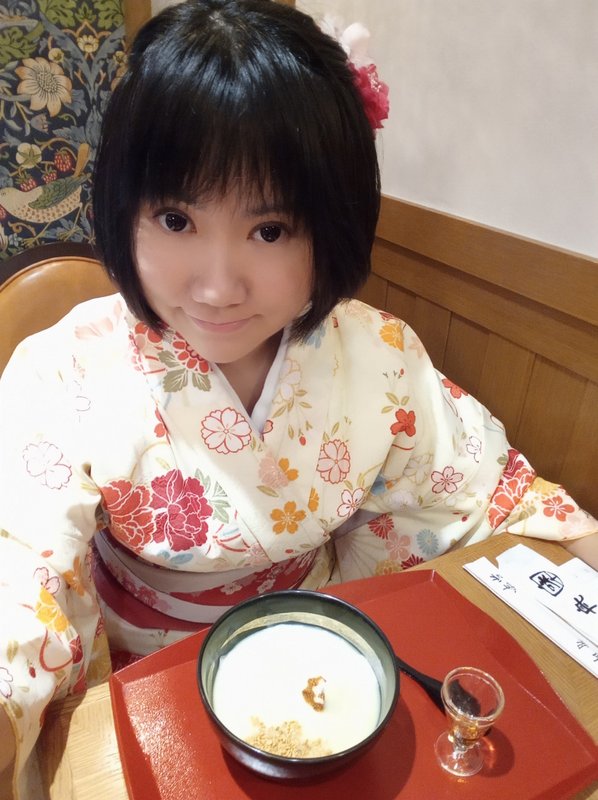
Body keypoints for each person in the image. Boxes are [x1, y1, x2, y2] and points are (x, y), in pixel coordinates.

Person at [0, 0, 596, 795]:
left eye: (270, 230)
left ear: (329, 225)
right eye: (175, 218)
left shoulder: (379, 354)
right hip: (145, 685)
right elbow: (20, 571)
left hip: (319, 662)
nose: (218, 286)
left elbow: (481, 493)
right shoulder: (63, 368)